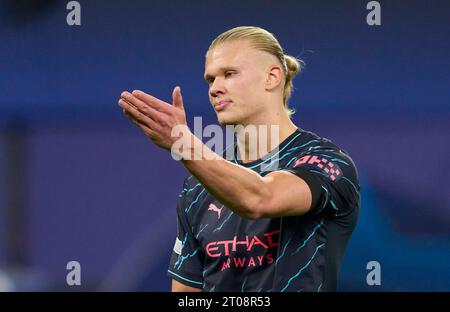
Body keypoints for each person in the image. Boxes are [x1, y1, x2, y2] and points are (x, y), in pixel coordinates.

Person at [118, 26, 360, 292]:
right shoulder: (198, 186)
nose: (215, 89)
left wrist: (184, 145)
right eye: (210, 80)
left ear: (272, 77)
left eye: (229, 74)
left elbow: (260, 199)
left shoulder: (326, 161)